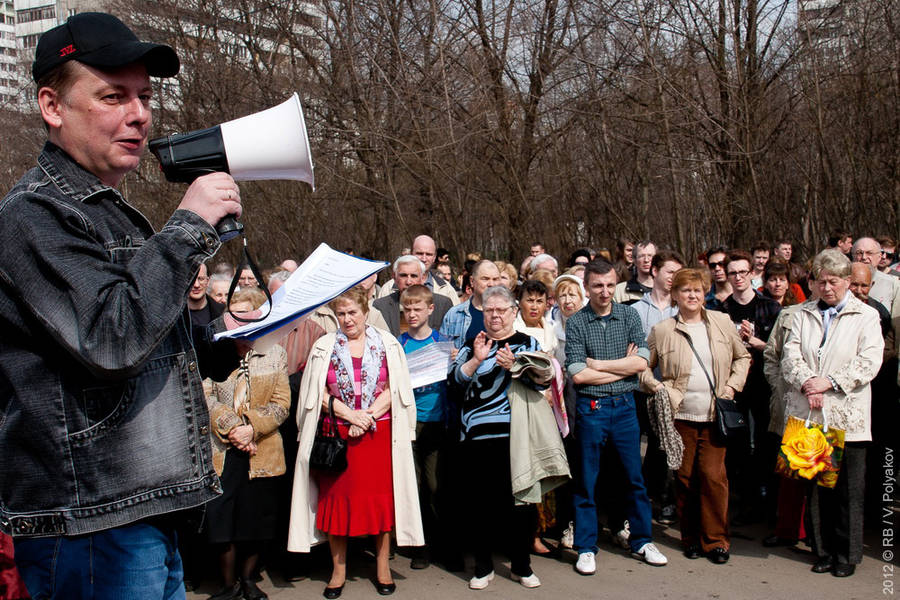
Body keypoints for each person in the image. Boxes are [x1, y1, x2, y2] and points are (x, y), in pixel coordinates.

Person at [0, 12, 242, 598]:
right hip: (88, 525)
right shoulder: (33, 216)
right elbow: (112, 340)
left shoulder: (106, 209)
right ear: (53, 107)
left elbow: (147, 345)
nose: (139, 114)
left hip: (135, 513)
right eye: (113, 96)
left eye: (144, 96)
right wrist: (186, 228)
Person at [287, 287, 423, 598]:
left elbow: (397, 387)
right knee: (337, 501)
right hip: (337, 434)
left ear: (365, 313)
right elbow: (315, 393)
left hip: (378, 434)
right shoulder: (324, 346)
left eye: (353, 313)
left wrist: (368, 416)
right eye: (341, 314)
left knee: (381, 502)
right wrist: (350, 414)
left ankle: (383, 568)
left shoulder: (388, 344)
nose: (347, 320)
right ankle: (338, 571)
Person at [781, 250, 883, 577]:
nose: (826, 288)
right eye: (821, 281)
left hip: (846, 415)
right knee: (814, 488)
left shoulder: (865, 315)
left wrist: (830, 382)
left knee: (848, 492)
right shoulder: (802, 313)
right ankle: (822, 550)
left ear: (848, 282)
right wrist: (809, 381)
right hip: (808, 411)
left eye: (833, 282)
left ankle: (847, 555)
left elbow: (868, 361)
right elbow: (790, 355)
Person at [565, 260, 668, 575]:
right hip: (591, 409)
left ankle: (641, 540)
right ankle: (585, 546)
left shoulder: (629, 314)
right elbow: (577, 375)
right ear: (587, 288)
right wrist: (619, 364)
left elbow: (641, 363)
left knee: (634, 478)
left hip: (625, 407)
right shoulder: (578, 322)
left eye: (610, 285)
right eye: (597, 286)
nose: (605, 292)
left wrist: (598, 365)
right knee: (587, 481)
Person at [642, 268, 750, 564]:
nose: (692, 295)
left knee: (714, 478)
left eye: (697, 290)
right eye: (685, 291)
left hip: (716, 415)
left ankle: (716, 540)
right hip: (681, 417)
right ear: (675, 295)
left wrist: (731, 386)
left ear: (705, 294)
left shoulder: (722, 322)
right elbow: (642, 367)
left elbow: (743, 357)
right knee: (686, 478)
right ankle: (690, 537)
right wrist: (658, 387)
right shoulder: (662, 331)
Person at [449, 286, 549, 590]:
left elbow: (542, 381)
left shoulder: (528, 342)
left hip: (517, 432)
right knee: (480, 504)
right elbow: (454, 385)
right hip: (477, 436)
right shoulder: (471, 344)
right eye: (489, 310)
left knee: (521, 501)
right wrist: (477, 360)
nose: (494, 316)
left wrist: (514, 366)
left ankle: (521, 565)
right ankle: (482, 567)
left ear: (513, 313)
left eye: (501, 310)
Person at [203, 288, 290, 600]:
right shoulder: (215, 352)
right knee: (221, 519)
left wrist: (251, 428)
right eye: (234, 319)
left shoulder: (275, 352)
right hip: (223, 450)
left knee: (256, 519)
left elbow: (281, 402)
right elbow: (206, 395)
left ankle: (249, 580)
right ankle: (227, 586)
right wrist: (232, 427)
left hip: (262, 449)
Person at [396, 284, 453, 570]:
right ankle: (419, 546)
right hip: (408, 422)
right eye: (408, 309)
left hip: (436, 420)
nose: (413, 313)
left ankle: (441, 542)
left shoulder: (444, 342)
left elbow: (455, 379)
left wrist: (455, 361)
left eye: (418, 308)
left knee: (435, 485)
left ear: (431, 309)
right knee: (413, 485)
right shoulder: (399, 344)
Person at [373, 255, 452, 338]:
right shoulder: (380, 306)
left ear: (423, 278)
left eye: (414, 276)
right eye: (403, 275)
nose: (408, 281)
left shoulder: (442, 304)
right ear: (394, 277)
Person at [378, 235, 460, 305]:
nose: (424, 259)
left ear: (434, 257)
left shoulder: (446, 289)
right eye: (419, 253)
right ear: (411, 254)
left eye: (428, 254)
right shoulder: (388, 288)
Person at [440, 260, 502, 349]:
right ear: (472, 281)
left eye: (495, 279)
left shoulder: (509, 313)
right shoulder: (455, 314)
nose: (491, 284)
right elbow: (442, 352)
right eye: (485, 279)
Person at [189, 263, 225, 327]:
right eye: (192, 279)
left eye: (201, 279)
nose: (196, 285)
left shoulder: (223, 312)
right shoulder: (173, 316)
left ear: (208, 281)